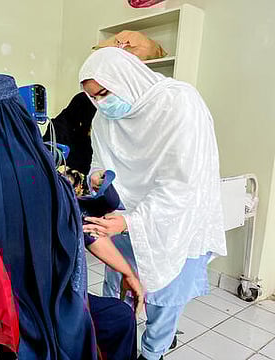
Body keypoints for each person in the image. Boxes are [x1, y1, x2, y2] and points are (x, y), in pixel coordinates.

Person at [0, 74, 141, 360]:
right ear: (20, 116)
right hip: (32, 310)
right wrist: (128, 271)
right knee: (119, 316)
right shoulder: (40, 183)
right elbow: (80, 232)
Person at [79, 47, 227, 360]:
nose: (101, 103)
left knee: (164, 295)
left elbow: (182, 184)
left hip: (175, 218)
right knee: (119, 280)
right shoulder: (105, 116)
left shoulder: (179, 104)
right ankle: (117, 337)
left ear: (126, 78)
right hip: (125, 216)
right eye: (94, 97)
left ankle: (154, 350)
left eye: (104, 93)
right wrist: (96, 176)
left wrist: (132, 221)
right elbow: (99, 159)